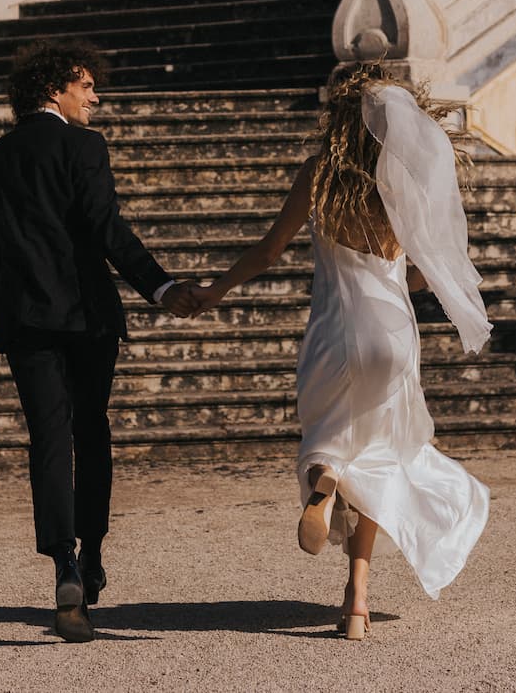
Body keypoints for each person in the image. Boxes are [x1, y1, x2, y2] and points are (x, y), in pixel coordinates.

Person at [194, 61, 492, 638]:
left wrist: (214, 290)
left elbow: (268, 251)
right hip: (394, 335)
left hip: (334, 331)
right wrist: (398, 277)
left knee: (327, 438)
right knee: (381, 459)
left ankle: (324, 477)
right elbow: (430, 273)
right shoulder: (402, 182)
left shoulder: (317, 177)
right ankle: (357, 602)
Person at [0, 40, 203, 643]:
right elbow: (106, 229)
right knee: (90, 432)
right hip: (86, 317)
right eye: (86, 85)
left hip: (26, 322)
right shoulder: (84, 145)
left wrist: (7, 322)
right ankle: (93, 555)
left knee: (48, 438)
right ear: (55, 89)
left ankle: (64, 562)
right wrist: (161, 286)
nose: (95, 96)